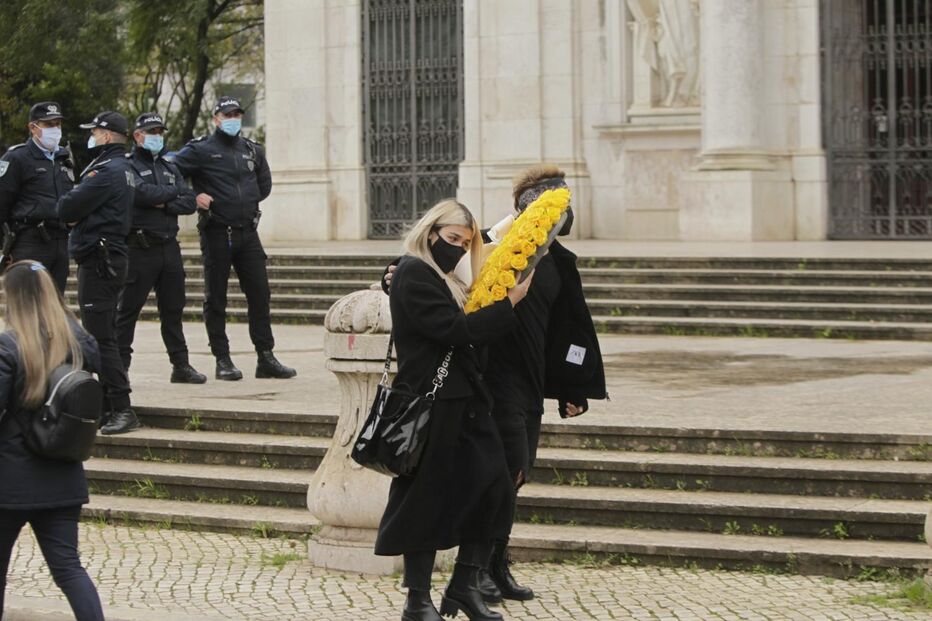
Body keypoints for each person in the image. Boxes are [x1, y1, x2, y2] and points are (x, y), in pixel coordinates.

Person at [375, 199, 532, 621]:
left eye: (465, 243)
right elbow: (454, 330)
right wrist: (510, 304)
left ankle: (465, 584)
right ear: (431, 233)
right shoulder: (413, 272)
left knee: (496, 490)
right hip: (432, 404)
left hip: (466, 403)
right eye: (452, 239)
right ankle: (417, 600)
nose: (459, 248)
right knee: (425, 500)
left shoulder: (446, 276)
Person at [481, 166, 607, 602]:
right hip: (493, 381)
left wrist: (572, 387)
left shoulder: (559, 263)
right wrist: (393, 271)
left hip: (531, 381)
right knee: (504, 473)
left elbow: (566, 331)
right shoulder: (493, 248)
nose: (561, 213)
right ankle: (479, 568)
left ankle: (494, 565)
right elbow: (437, 262)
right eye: (551, 202)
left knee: (516, 475)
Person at [0, 260, 105, 621]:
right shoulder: (80, 344)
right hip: (63, 474)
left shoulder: (7, 347)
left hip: (9, 482)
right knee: (69, 569)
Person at [172, 96, 295, 381]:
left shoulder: (252, 150)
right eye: (227, 114)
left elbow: (263, 184)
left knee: (260, 294)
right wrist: (192, 197)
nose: (233, 119)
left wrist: (245, 201)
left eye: (237, 114)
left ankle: (265, 356)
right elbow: (170, 171)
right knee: (216, 297)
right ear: (216, 118)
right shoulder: (201, 149)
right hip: (217, 232)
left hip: (248, 232)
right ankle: (222, 358)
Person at [57, 111, 139, 435]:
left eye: (94, 131)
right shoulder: (125, 168)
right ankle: (109, 403)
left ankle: (121, 406)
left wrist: (76, 214)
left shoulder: (105, 171)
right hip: (109, 256)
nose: (91, 136)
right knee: (104, 334)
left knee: (101, 337)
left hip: (100, 259)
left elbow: (66, 208)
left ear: (106, 136)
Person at [116, 113, 206, 384]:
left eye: (159, 131)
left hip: (168, 247)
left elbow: (189, 200)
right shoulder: (128, 166)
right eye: (151, 131)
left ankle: (181, 365)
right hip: (139, 247)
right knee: (127, 312)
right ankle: (120, 370)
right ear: (137, 136)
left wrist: (163, 202)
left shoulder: (169, 165)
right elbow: (139, 194)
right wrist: (169, 195)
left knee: (173, 310)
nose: (156, 136)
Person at [0, 102, 75, 291]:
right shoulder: (16, 157)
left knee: (55, 307)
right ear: (33, 128)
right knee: (28, 306)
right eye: (49, 125)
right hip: (30, 240)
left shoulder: (64, 159)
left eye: (58, 124)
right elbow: (2, 201)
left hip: (60, 240)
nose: (55, 129)